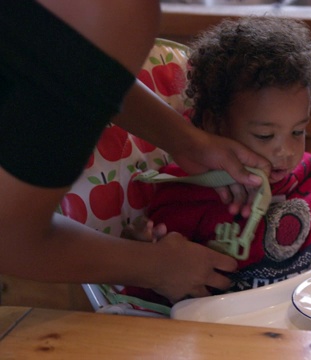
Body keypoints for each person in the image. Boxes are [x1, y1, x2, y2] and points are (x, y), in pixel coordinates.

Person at [120, 16, 311, 304]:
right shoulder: (185, 197)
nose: (285, 152)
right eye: (265, 136)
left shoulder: (297, 175)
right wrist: (147, 248)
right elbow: (162, 273)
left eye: (297, 132)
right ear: (214, 125)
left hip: (292, 313)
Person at [0, 0, 271, 304]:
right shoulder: (119, 10)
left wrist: (186, 141)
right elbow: (9, 238)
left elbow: (68, 64)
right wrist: (157, 267)